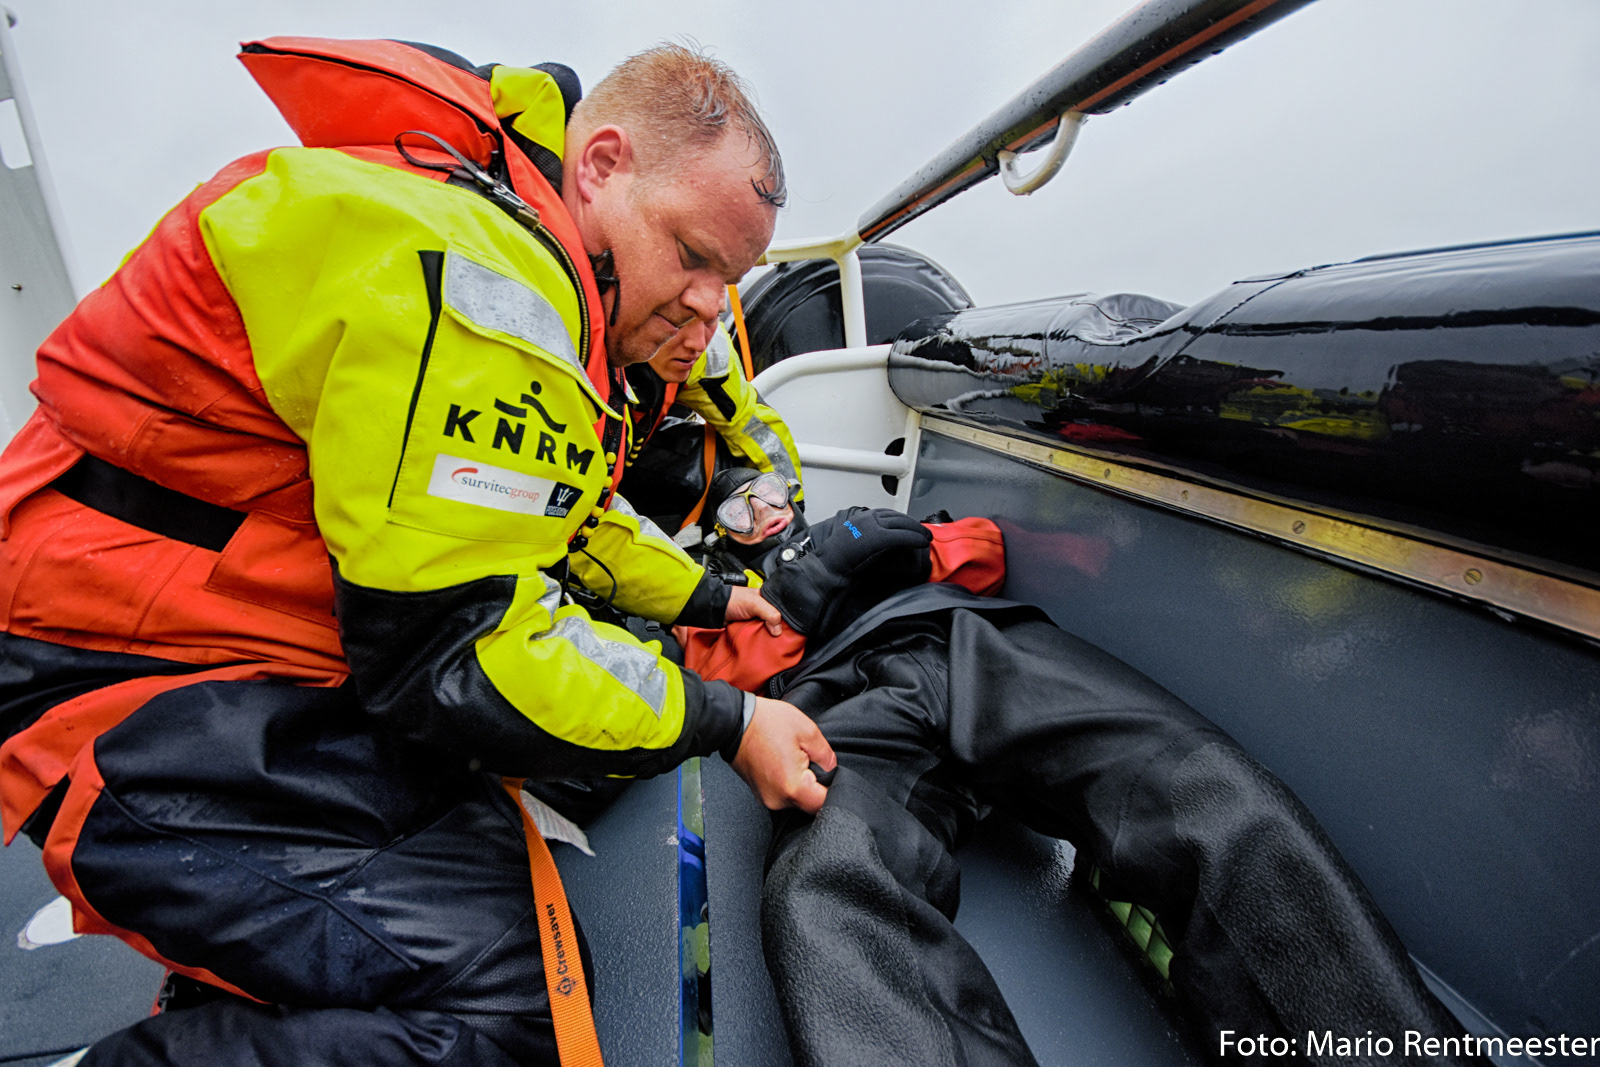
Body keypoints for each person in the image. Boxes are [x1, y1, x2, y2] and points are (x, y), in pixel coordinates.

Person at [0, 39, 834, 1065]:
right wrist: (728, 718)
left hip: (220, 639)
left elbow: (562, 514)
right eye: (692, 255)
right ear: (602, 163)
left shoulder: (486, 224)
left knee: (518, 836)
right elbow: (454, 652)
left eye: (729, 278)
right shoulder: (486, 281)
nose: (709, 305)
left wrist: (704, 599)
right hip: (117, 679)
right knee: (517, 1006)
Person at [676, 469, 1483, 1067]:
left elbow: (986, 552)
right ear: (723, 537)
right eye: (741, 508)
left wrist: (907, 542)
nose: (765, 507)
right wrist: (798, 592)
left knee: (1200, 786)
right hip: (840, 705)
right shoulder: (715, 603)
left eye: (771, 490)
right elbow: (723, 687)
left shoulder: (865, 526)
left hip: (971, 639)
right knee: (825, 880)